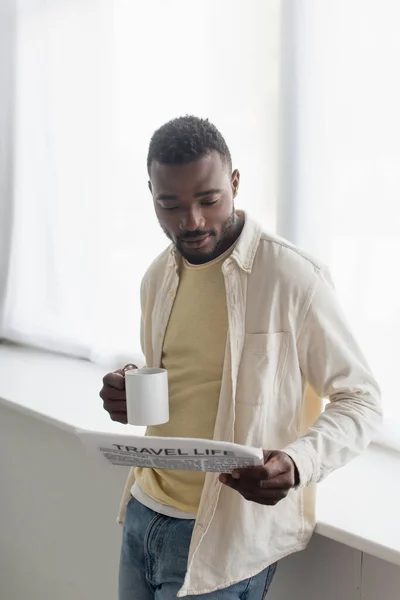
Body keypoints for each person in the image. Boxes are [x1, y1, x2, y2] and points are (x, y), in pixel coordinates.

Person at [99, 115, 382, 600]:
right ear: (151, 193)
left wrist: (296, 463)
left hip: (223, 539)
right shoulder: (156, 277)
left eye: (208, 200)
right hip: (144, 510)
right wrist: (127, 387)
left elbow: (362, 400)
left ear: (234, 183)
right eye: (170, 204)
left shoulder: (293, 277)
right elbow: (187, 379)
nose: (191, 221)